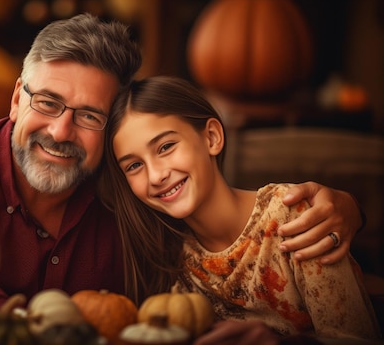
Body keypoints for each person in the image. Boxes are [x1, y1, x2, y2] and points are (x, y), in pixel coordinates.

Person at [0, 13, 364, 321]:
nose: (60, 132)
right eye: (48, 102)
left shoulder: (126, 187)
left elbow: (216, 210)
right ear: (17, 97)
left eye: (89, 116)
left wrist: (344, 206)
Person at [100, 75, 381, 342]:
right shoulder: (170, 256)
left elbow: (351, 338)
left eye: (166, 147)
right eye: (134, 166)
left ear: (211, 137)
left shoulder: (292, 216)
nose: (155, 175)